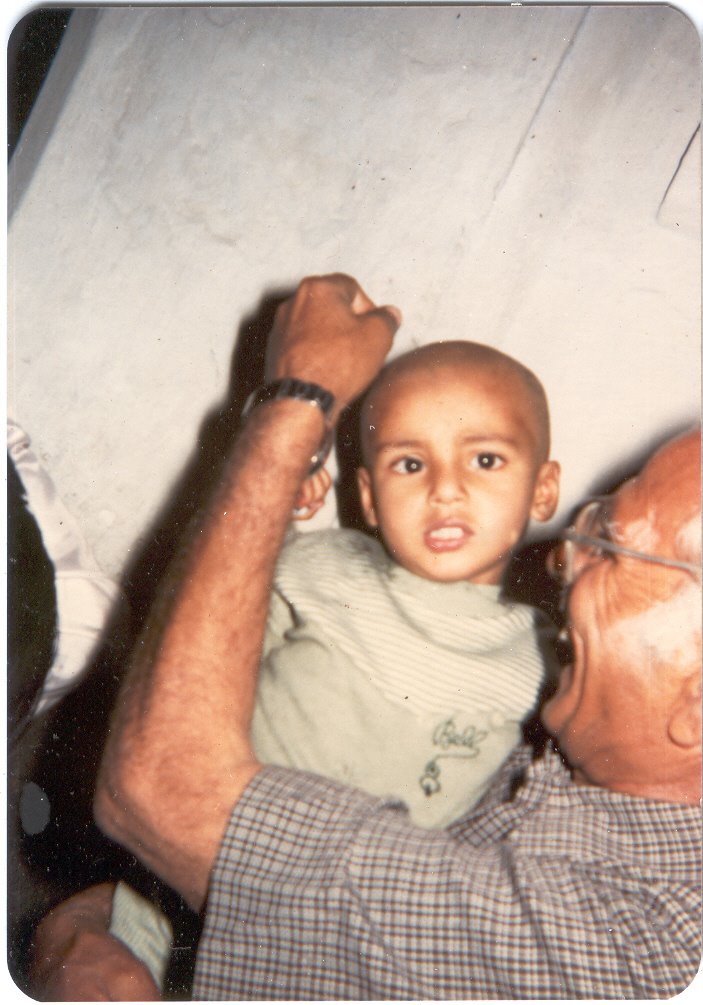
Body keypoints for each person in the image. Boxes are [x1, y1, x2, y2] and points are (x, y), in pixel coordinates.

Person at [37, 275, 702, 998]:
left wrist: (297, 400)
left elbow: (160, 791)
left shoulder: (627, 949)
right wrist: (93, 921)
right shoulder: (578, 747)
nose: (562, 556)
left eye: (609, 544)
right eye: (411, 464)